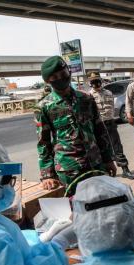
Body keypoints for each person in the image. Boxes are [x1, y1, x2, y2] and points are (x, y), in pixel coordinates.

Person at [35, 56, 116, 196]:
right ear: (47, 81)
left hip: (95, 164)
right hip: (68, 169)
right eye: (55, 76)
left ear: (68, 71)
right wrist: (47, 175)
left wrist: (108, 159)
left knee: (103, 205)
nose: (61, 78)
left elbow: (99, 130)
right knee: (75, 211)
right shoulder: (43, 107)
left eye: (63, 73)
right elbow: (44, 142)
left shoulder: (86, 99)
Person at [87, 71, 134, 180]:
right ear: (90, 83)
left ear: (101, 80)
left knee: (117, 147)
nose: (96, 83)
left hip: (110, 124)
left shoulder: (109, 93)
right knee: (101, 150)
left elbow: (112, 109)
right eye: (93, 81)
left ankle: (125, 170)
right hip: (98, 127)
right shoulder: (88, 96)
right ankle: (104, 174)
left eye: (97, 80)